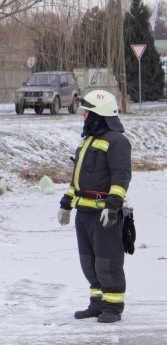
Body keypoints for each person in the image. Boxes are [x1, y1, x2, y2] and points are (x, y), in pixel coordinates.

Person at [57, 90, 131, 323]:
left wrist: (112, 206)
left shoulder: (117, 141)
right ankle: (97, 304)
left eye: (87, 112)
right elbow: (77, 178)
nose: (84, 115)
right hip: (85, 213)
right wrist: (67, 202)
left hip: (103, 214)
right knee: (89, 263)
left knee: (107, 262)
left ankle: (113, 307)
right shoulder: (88, 140)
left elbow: (121, 177)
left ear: (99, 115)